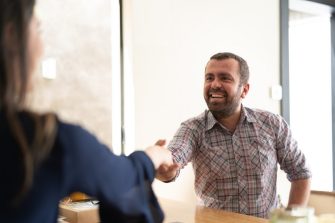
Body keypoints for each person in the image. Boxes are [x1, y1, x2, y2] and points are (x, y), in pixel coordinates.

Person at [0, 0, 177, 222]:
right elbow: (124, 179)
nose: (42, 45)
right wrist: (154, 156)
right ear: (12, 36)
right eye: (37, 29)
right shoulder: (50, 140)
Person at [156, 52, 312, 218]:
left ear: (244, 90)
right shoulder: (192, 128)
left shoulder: (272, 124)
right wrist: (164, 168)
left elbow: (300, 172)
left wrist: (290, 220)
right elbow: (173, 157)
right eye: (209, 78)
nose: (215, 84)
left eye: (225, 78)